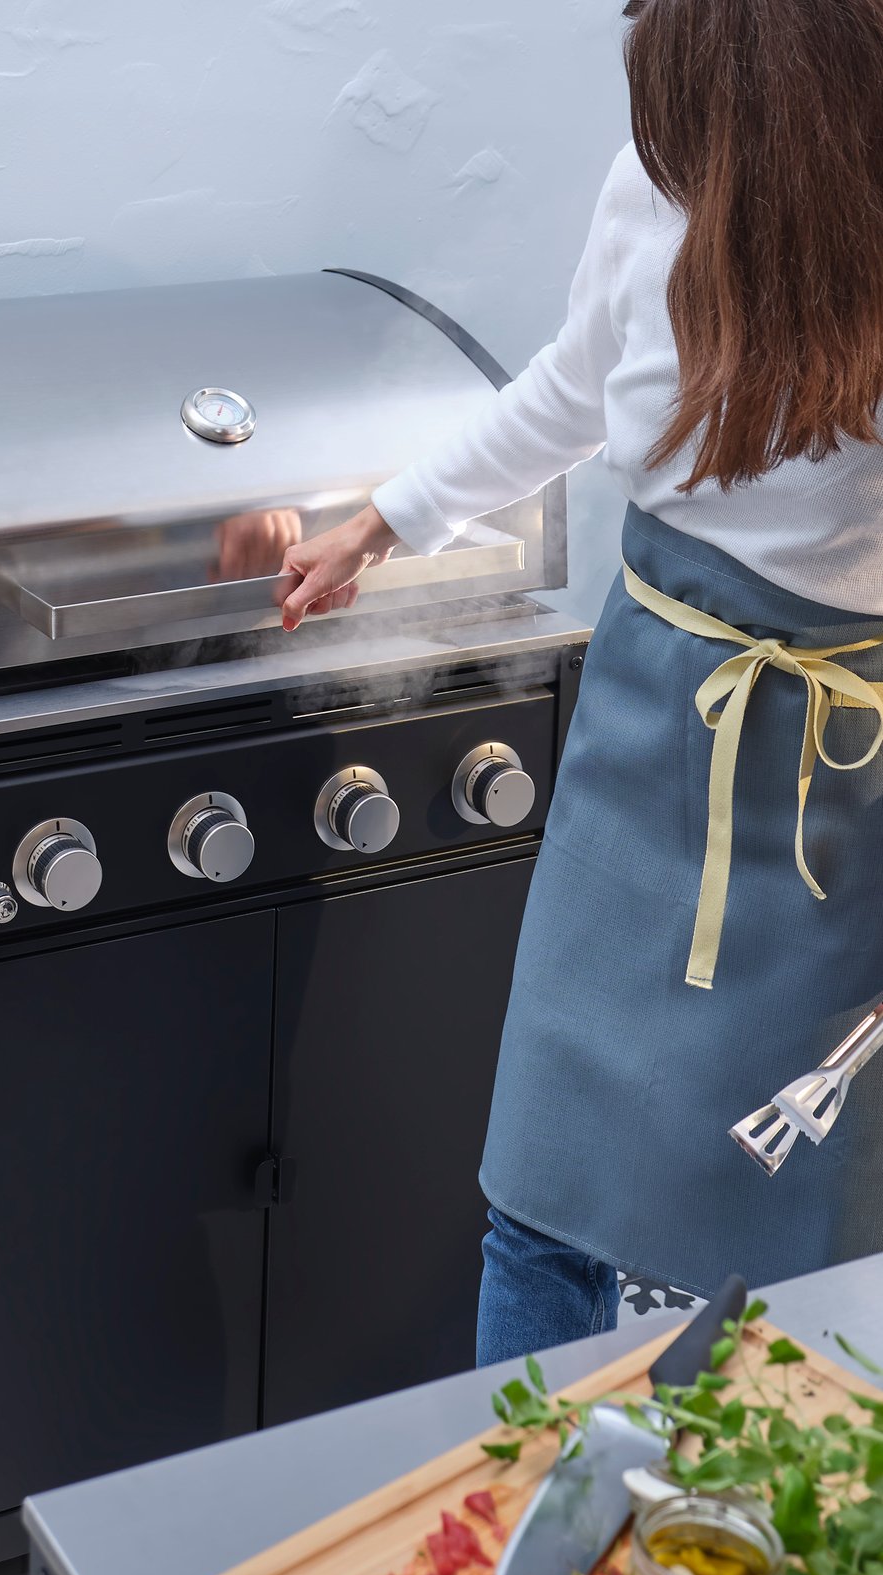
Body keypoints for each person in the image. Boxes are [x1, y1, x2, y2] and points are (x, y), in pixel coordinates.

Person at [274, 0, 883, 1366]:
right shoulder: (652, 190)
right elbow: (569, 385)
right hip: (644, 729)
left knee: (809, 1226)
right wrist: (387, 518)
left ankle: (738, 1540)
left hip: (832, 788)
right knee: (544, 1186)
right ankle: (520, 1522)